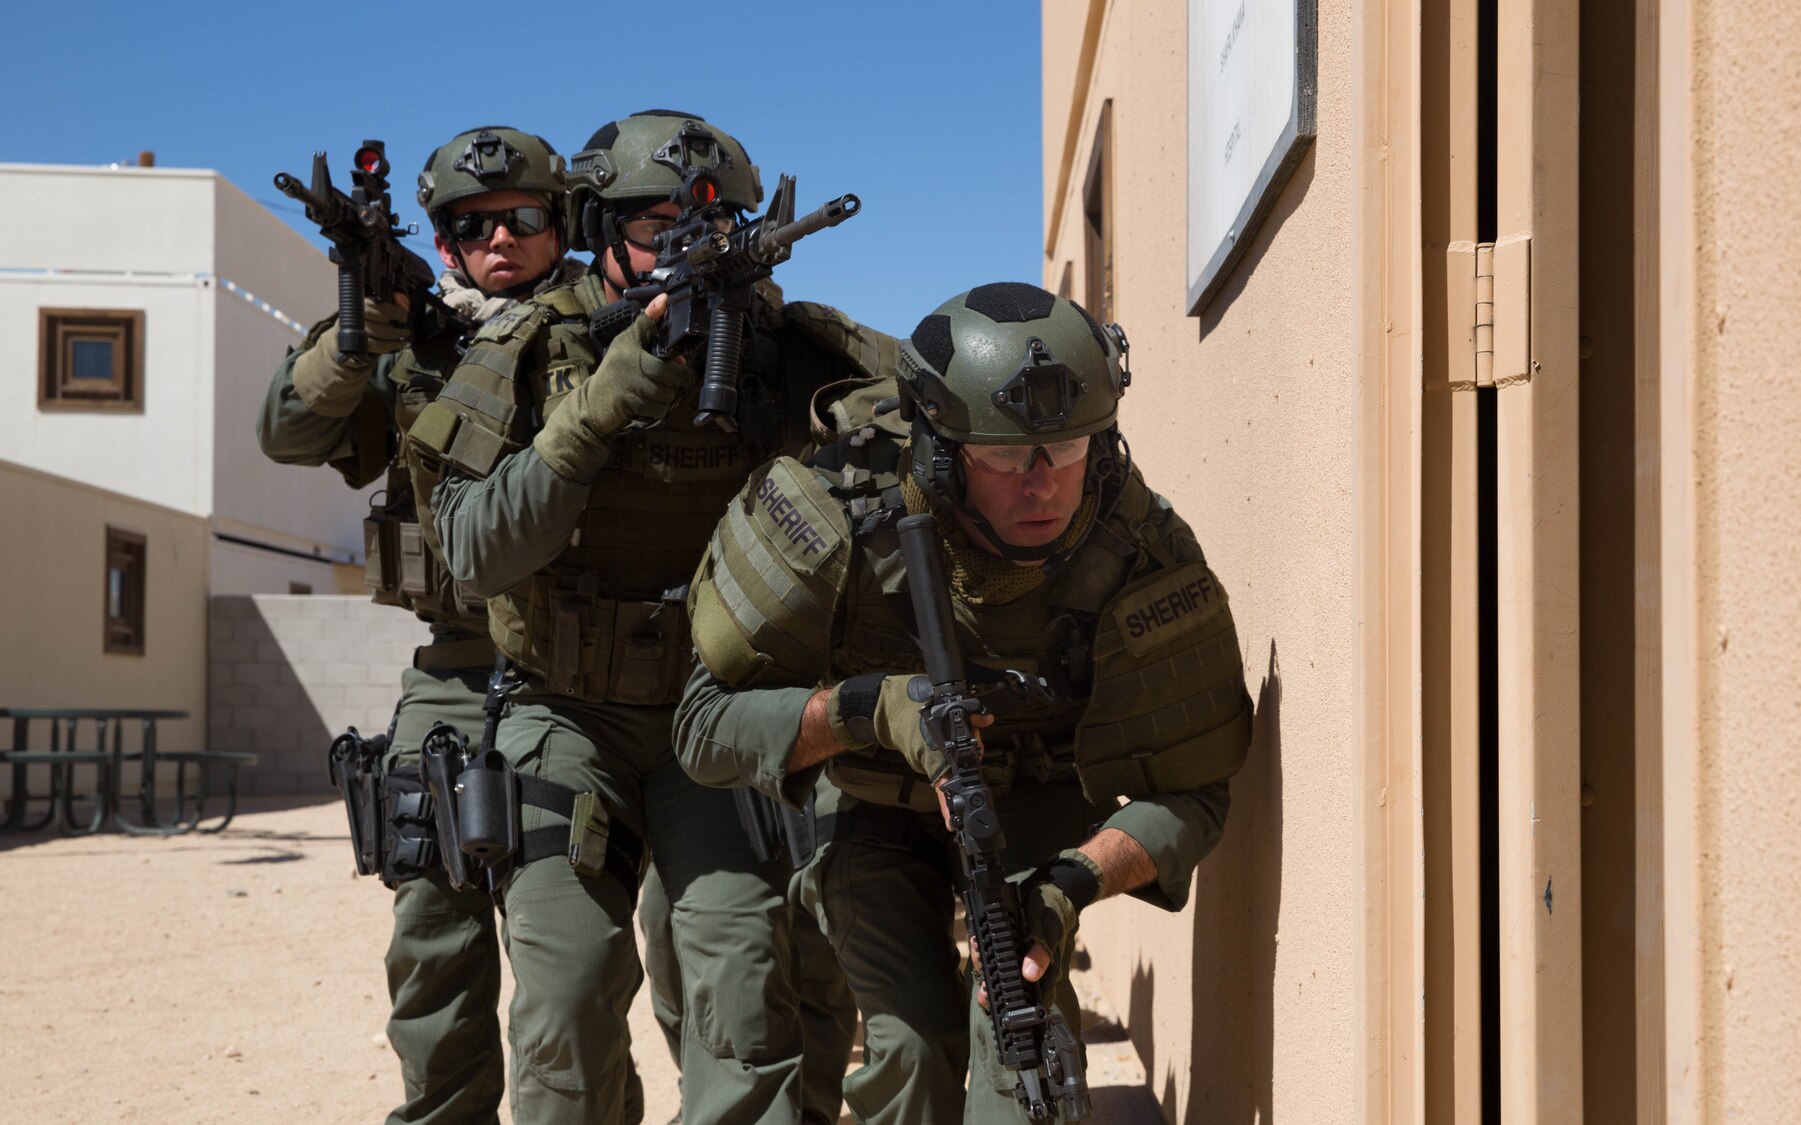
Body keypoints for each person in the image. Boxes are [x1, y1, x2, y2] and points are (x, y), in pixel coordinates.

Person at [673, 283, 1254, 1124]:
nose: (1043, 484)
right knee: (911, 1054)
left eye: (1068, 449)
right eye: (1007, 458)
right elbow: (701, 726)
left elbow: (1197, 790)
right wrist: (867, 711)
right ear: (943, 452)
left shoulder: (1139, 547)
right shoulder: (839, 513)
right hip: (872, 801)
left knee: (1023, 1066)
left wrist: (1072, 881)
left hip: (1033, 808)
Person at [408, 110, 871, 1125]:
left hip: (716, 717)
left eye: (707, 221)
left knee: (742, 989)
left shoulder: (785, 353)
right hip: (564, 715)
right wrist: (606, 400)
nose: (683, 243)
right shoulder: (533, 347)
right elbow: (478, 550)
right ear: (598, 228)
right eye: (657, 222)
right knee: (566, 1002)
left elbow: (917, 434)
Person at [256, 126, 594, 1124]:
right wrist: (356, 336)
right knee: (430, 931)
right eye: (472, 225)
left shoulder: (599, 329)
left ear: (559, 227)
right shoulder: (410, 345)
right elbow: (287, 433)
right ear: (443, 241)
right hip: (452, 670)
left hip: (579, 676)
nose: (500, 240)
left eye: (523, 219)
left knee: (572, 966)